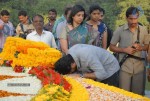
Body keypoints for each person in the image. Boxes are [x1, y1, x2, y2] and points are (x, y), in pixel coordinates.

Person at [109, 7, 149, 95]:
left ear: (138, 17)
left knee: (138, 95)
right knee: (123, 94)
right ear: (126, 18)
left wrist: (140, 47)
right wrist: (124, 49)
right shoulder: (120, 30)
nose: (133, 21)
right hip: (125, 67)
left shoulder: (144, 30)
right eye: (131, 18)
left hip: (140, 67)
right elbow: (111, 47)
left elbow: (146, 47)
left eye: (135, 18)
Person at [55, 44, 120, 87]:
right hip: (96, 67)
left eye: (71, 72)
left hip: (110, 69)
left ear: (73, 65)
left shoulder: (87, 56)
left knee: (108, 94)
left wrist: (81, 75)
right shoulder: (70, 54)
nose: (71, 73)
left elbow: (102, 74)